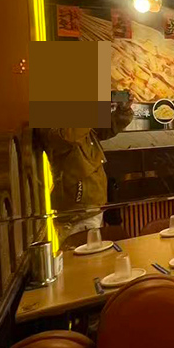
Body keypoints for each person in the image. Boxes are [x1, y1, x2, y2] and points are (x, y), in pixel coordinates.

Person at [37, 98, 133, 244]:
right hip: (76, 209)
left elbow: (106, 128)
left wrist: (123, 111)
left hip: (93, 204)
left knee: (95, 252)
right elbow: (67, 137)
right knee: (82, 254)